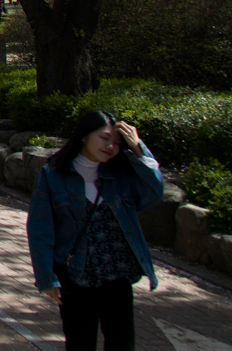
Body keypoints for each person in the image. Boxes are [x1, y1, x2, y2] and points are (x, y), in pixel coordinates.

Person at [27, 110, 164, 351]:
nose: (111, 146)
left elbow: (154, 193)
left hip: (118, 274)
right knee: (81, 343)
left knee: (122, 343)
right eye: (104, 138)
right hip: (76, 277)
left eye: (117, 142)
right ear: (83, 136)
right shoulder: (53, 176)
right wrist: (46, 277)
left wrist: (139, 149)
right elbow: (40, 229)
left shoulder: (121, 175)